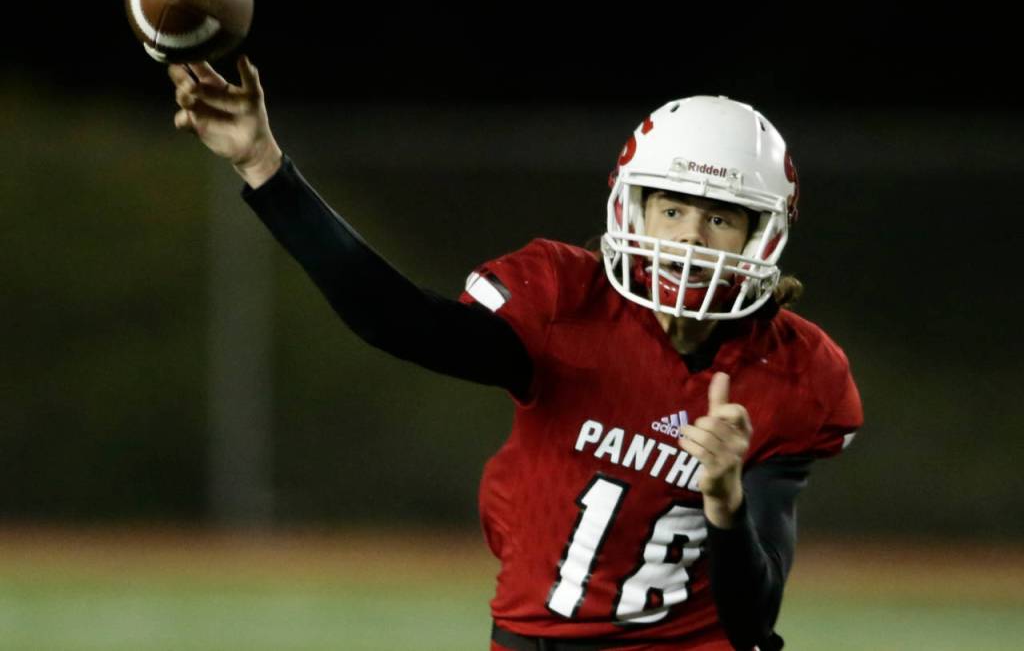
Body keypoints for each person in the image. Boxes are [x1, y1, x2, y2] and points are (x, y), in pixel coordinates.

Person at [168, 56, 863, 651]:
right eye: (672, 209)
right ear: (633, 210)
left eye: (719, 217)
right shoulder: (566, 300)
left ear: (760, 237)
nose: (688, 238)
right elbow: (399, 322)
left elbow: (752, 618)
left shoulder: (795, 374)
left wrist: (725, 500)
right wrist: (263, 165)